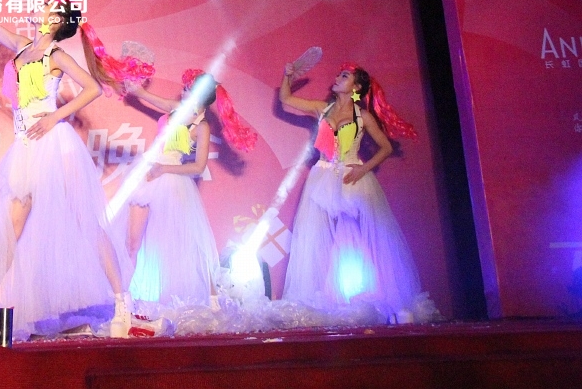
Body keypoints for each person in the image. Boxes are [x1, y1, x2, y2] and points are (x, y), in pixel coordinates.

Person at [0, 0, 152, 338]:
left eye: (46, 7)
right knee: (12, 228)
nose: (37, 7)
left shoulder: (56, 55)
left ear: (54, 21)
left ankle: (122, 304)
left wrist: (55, 116)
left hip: (56, 145)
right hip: (26, 146)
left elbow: (93, 87)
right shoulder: (22, 46)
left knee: (86, 219)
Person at [279, 62, 434, 322]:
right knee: (317, 237)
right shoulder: (322, 108)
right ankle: (326, 300)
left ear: (356, 87)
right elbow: (286, 99)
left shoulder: (363, 117)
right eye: (339, 74)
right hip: (322, 177)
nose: (338, 77)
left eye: (345, 76)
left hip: (351, 178)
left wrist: (364, 169)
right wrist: (288, 76)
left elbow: (385, 147)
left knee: (357, 237)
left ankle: (364, 297)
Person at [121, 70, 257, 309]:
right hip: (147, 175)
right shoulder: (175, 108)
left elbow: (198, 166)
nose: (182, 91)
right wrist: (133, 85)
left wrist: (164, 169)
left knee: (180, 244)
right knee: (132, 243)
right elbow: (145, 96)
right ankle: (122, 300)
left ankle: (209, 300)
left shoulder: (201, 126)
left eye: (187, 88)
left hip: (171, 182)